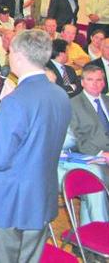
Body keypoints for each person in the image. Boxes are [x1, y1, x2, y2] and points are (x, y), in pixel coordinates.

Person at [0, 29, 71, 263]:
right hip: (39, 198)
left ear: (20, 56)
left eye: (10, 50)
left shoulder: (16, 103)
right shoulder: (59, 95)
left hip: (8, 202)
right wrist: (11, 95)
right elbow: (37, 137)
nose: (7, 55)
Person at [58, 64, 109, 223]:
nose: (95, 83)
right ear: (82, 82)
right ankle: (99, 235)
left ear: (104, 82)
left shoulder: (107, 101)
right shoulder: (72, 105)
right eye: (90, 79)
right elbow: (76, 140)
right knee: (96, 184)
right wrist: (101, 154)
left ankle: (89, 236)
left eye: (99, 80)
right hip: (92, 158)